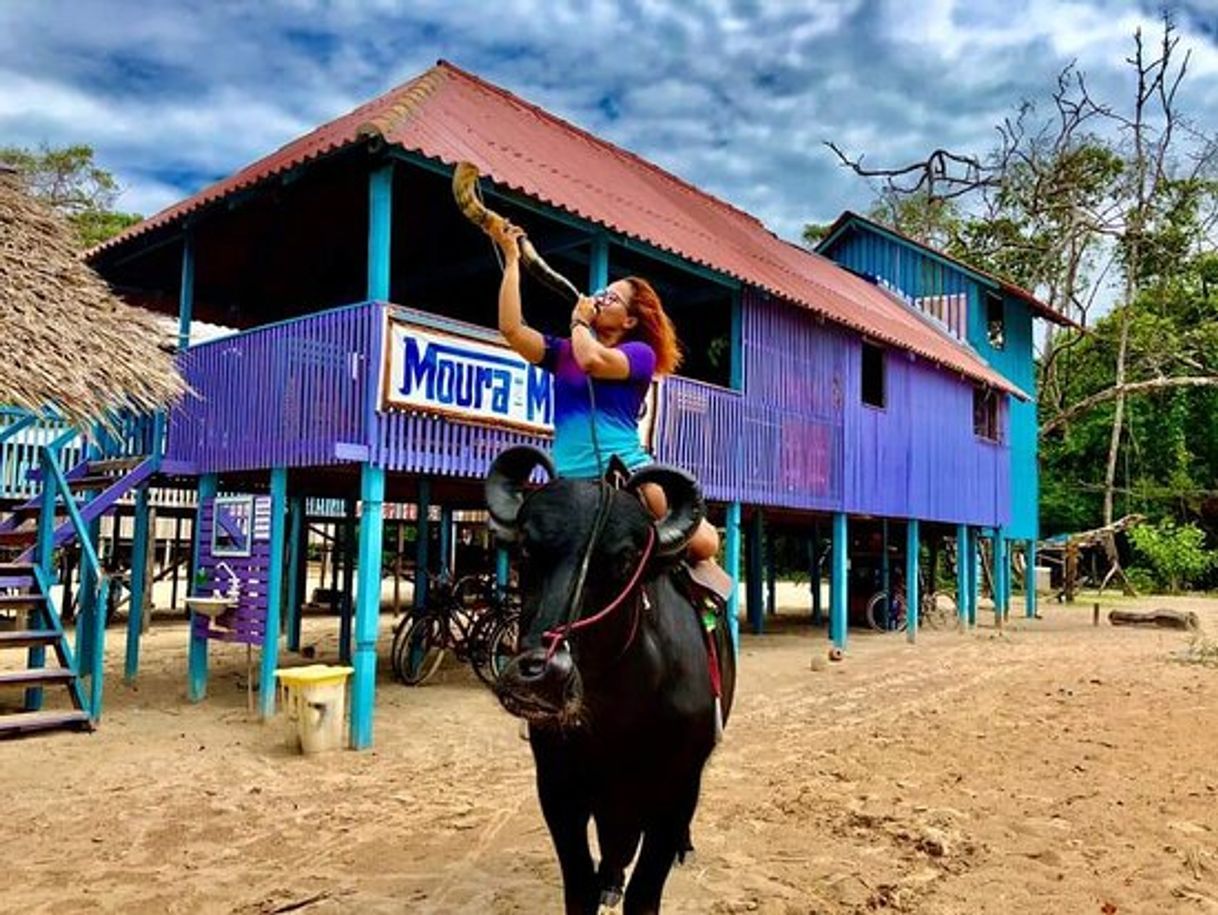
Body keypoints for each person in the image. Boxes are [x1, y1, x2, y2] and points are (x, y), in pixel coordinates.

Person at [489, 220, 728, 595]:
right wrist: (512, 259)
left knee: (702, 544)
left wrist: (580, 321)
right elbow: (512, 330)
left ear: (630, 320)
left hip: (627, 472)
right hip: (567, 478)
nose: (600, 298)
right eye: (601, 292)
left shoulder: (638, 354)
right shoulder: (565, 350)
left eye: (612, 298)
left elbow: (593, 362)